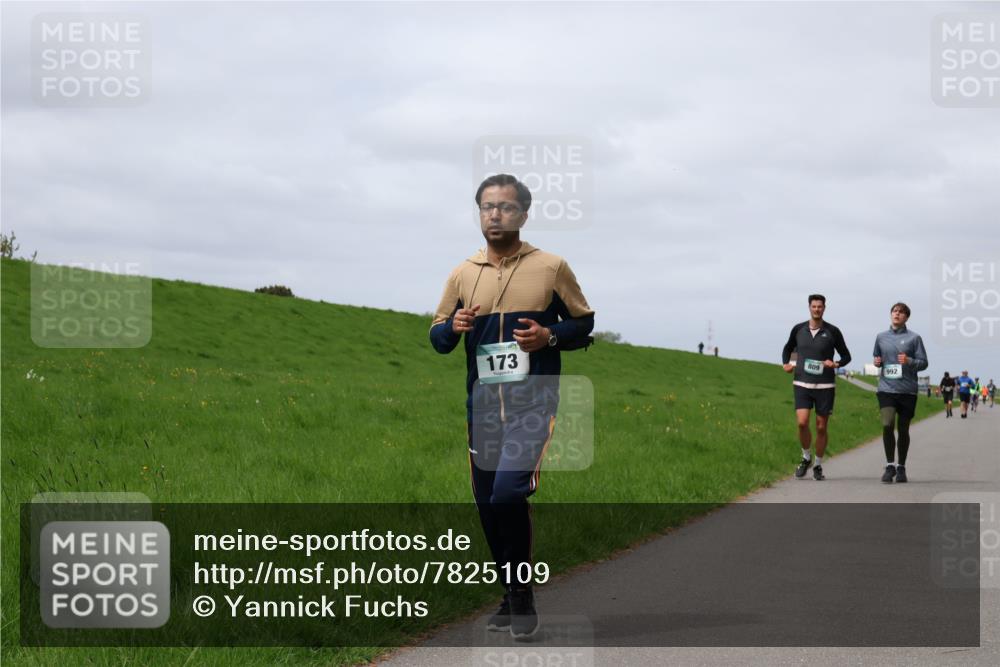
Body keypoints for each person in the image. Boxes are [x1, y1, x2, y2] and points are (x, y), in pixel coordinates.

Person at [429, 174, 595, 640]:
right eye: (486, 207)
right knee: (486, 506)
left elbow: (584, 322)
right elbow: (437, 336)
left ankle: (522, 598)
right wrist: (454, 327)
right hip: (481, 409)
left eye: (504, 207)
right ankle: (509, 592)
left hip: (533, 402)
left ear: (523, 214)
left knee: (507, 494)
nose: (494, 214)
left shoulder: (551, 267)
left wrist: (550, 335)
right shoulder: (463, 272)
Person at [781, 294, 852, 481]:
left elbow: (846, 356)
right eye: (814, 306)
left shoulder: (833, 331)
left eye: (820, 306)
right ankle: (806, 457)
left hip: (825, 385)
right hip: (802, 383)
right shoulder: (799, 329)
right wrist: (787, 364)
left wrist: (835, 364)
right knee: (802, 422)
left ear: (824, 308)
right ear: (809, 307)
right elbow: (789, 348)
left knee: (821, 427)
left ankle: (818, 465)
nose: (817, 309)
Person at [873, 303, 928, 483]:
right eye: (895, 311)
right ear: (891, 314)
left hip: (907, 391)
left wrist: (910, 360)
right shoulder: (880, 337)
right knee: (888, 424)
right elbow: (877, 358)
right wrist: (877, 362)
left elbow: (924, 363)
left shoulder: (914, 338)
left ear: (906, 317)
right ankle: (890, 466)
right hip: (886, 388)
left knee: (903, 429)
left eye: (901, 312)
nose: (897, 314)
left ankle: (901, 467)